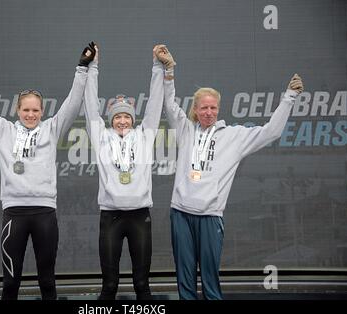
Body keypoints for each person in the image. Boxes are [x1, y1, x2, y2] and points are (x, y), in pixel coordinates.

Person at [0, 41, 96, 300]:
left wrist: (81, 68)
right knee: (10, 283)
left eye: (35, 110)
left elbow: (73, 103)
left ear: (42, 112)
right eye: (26, 109)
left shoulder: (52, 130)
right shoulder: (3, 131)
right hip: (14, 214)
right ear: (17, 110)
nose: (31, 114)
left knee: (47, 282)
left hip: (45, 213)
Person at [155, 46, 304, 300]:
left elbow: (271, 132)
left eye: (213, 108)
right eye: (203, 108)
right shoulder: (185, 130)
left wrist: (289, 97)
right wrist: (168, 71)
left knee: (211, 284)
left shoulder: (234, 136)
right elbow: (169, 104)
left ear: (219, 109)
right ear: (195, 109)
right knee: (185, 282)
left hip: (211, 215)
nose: (209, 112)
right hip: (180, 213)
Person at [83, 44, 167, 300]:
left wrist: (157, 67)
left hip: (140, 217)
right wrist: (92, 67)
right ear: (111, 120)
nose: (122, 121)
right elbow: (89, 106)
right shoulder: (101, 137)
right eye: (117, 117)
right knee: (109, 286)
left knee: (142, 285)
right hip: (111, 218)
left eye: (127, 117)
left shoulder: (144, 134)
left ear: (133, 120)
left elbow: (155, 103)